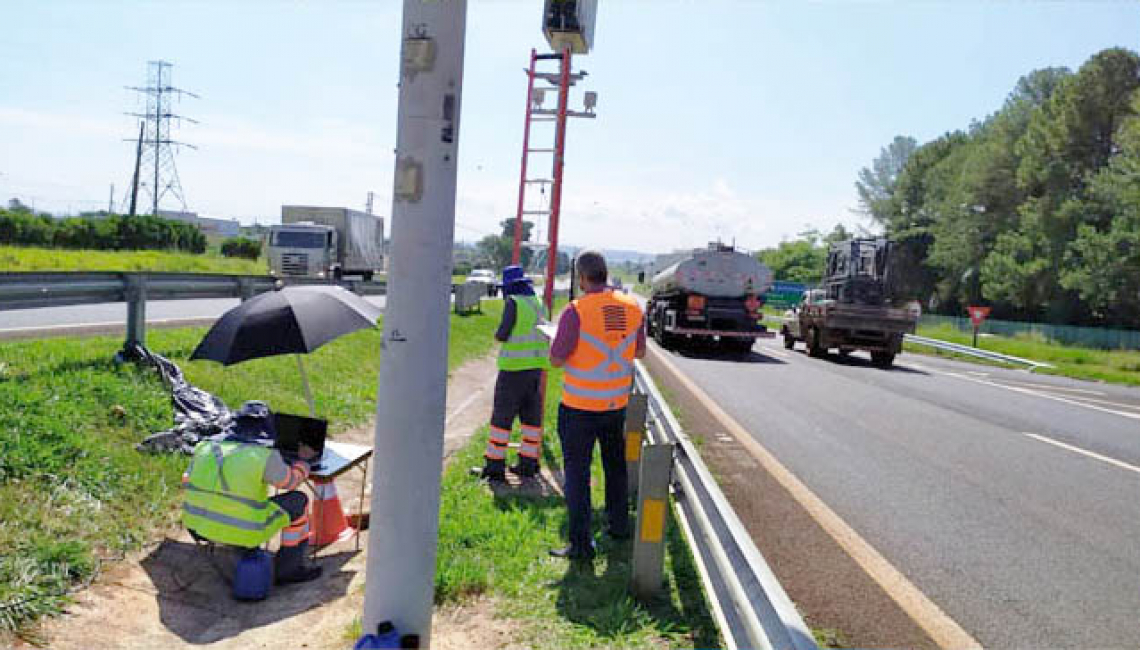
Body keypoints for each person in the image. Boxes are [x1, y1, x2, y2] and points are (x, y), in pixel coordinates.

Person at [548, 250, 646, 560]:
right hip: (615, 406)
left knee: (577, 474)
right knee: (615, 467)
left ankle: (581, 544)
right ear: (606, 274)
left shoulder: (576, 311)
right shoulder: (632, 308)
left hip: (578, 407)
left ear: (581, 277)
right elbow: (639, 352)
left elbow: (556, 359)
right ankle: (618, 526)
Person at [182, 420, 323, 585]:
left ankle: (235, 546)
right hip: (245, 531)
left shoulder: (204, 447)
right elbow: (290, 482)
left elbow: (186, 481)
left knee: (235, 501)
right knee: (298, 501)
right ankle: (288, 570)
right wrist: (303, 462)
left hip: (196, 526)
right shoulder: (262, 456)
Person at [478, 265, 550, 482]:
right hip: (536, 370)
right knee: (531, 419)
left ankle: (495, 466)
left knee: (502, 418)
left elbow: (503, 334)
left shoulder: (514, 303)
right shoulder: (539, 304)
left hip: (513, 371)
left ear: (509, 287)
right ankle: (528, 464)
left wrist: (496, 334)